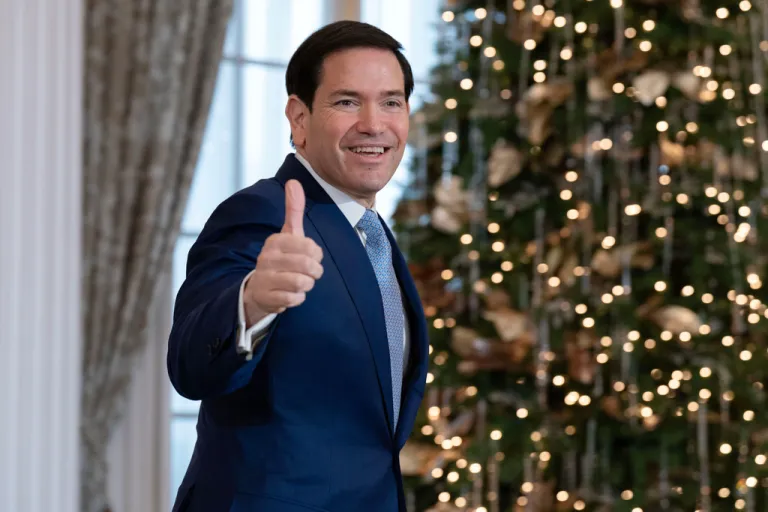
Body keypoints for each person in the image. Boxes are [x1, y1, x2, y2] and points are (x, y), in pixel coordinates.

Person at [167, 20, 429, 512]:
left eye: (391, 101)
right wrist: (251, 303)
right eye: (347, 101)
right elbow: (190, 366)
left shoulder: (371, 232)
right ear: (299, 117)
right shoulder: (262, 213)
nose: (374, 123)